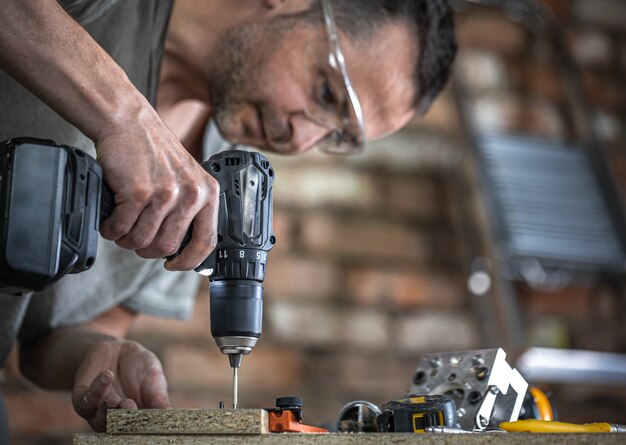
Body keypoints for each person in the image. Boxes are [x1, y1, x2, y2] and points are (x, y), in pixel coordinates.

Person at [0, 0, 456, 434]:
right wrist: (123, 115)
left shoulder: (223, 183)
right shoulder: (112, 10)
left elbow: (51, 338)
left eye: (335, 134)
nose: (300, 141)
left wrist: (100, 353)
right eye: (325, 92)